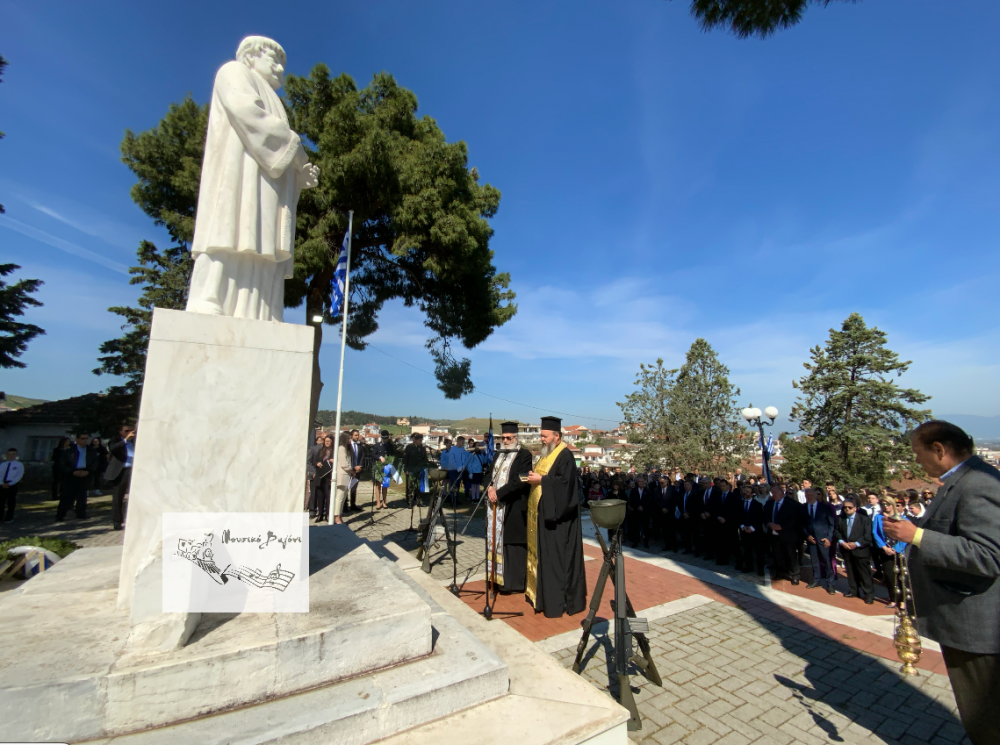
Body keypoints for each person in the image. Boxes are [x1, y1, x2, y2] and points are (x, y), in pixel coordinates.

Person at [185, 36, 319, 321]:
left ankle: (262, 310)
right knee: (229, 230)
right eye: (275, 61)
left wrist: (298, 176)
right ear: (251, 56)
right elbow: (250, 115)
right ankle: (212, 296)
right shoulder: (234, 72)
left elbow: (280, 150)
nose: (281, 70)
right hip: (239, 175)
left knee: (263, 241)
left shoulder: (277, 102)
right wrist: (298, 156)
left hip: (267, 186)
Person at [883, 421, 1000, 744]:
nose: (917, 463)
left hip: (977, 629)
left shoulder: (979, 484)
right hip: (962, 621)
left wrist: (917, 536)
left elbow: (988, 555)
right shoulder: (960, 481)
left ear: (939, 449)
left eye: (919, 454)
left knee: (986, 717)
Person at [524, 416, 587, 618]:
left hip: (559, 521)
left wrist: (542, 480)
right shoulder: (546, 455)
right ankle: (542, 597)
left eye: (544, 436)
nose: (542, 439)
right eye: (541, 435)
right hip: (543, 517)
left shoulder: (565, 456)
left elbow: (565, 486)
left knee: (557, 562)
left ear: (556, 436)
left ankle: (558, 602)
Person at [486, 422, 533, 593]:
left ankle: (513, 583)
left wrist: (499, 493)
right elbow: (488, 475)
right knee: (497, 543)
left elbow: (521, 480)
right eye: (503, 438)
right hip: (495, 507)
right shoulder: (499, 454)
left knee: (512, 544)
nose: (505, 441)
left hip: (513, 505)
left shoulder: (524, 455)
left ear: (516, 438)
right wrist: (489, 488)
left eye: (508, 438)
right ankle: (496, 579)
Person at [834, 495, 874, 603]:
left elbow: (868, 536)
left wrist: (856, 544)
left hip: (860, 550)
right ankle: (853, 590)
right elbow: (837, 531)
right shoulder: (841, 519)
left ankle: (868, 594)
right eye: (845, 507)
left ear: (855, 508)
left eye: (850, 507)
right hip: (846, 550)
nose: (847, 509)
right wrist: (842, 542)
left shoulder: (864, 520)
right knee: (850, 571)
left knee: (863, 573)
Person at [872, 496, 907, 608]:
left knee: (901, 576)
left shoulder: (901, 517)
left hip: (899, 550)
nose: (886, 506)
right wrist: (883, 547)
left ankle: (903, 600)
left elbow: (906, 534)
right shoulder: (878, 517)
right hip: (885, 550)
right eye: (883, 504)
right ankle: (893, 598)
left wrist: (896, 548)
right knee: (889, 575)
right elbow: (875, 533)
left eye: (888, 504)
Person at [763, 482, 802, 584]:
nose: (773, 495)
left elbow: (795, 519)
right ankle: (781, 573)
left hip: (788, 535)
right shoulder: (769, 503)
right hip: (774, 535)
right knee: (777, 555)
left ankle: (795, 575)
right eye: (772, 493)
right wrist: (768, 523)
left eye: (775, 492)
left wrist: (782, 526)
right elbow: (765, 516)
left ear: (781, 493)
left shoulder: (791, 504)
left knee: (791, 555)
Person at [801, 487, 837, 595]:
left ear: (816, 495)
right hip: (811, 539)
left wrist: (829, 538)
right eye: (807, 495)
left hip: (823, 538)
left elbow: (832, 524)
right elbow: (801, 523)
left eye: (811, 495)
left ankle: (830, 583)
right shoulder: (803, 508)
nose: (809, 497)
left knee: (826, 561)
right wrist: (806, 535)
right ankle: (816, 580)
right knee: (814, 561)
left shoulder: (825, 507)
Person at [56, 434, 98, 521]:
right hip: (72, 474)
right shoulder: (69, 451)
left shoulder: (91, 451)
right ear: (77, 439)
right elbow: (62, 464)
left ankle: (81, 513)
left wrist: (88, 471)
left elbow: (95, 463)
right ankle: (61, 514)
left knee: (82, 495)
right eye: (82, 438)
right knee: (67, 495)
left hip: (85, 473)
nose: (85, 440)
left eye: (86, 438)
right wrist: (72, 472)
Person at [105, 424, 137, 530]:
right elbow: (113, 449)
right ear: (121, 432)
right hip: (121, 471)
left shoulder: (135, 442)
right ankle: (117, 521)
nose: (130, 433)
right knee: (118, 497)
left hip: (133, 471)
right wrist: (125, 440)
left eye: (131, 431)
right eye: (127, 431)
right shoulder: (115, 441)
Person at [736, 484, 765, 575]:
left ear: (752, 494)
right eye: (744, 491)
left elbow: (760, 519)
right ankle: (749, 566)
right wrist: (742, 526)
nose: (745, 493)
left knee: (758, 551)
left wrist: (752, 528)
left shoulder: (758, 505)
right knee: (747, 550)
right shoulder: (739, 503)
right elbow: (738, 517)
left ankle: (760, 569)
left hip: (755, 532)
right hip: (744, 531)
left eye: (748, 492)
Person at [310, 434, 335, 522]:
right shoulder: (321, 450)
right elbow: (314, 461)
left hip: (329, 476)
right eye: (326, 441)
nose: (327, 443)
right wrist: (317, 463)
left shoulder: (334, 452)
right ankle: (320, 514)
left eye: (329, 441)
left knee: (328, 496)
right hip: (320, 476)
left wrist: (334, 461)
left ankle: (328, 514)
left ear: (332, 442)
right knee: (320, 496)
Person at [332, 432, 354, 524]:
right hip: (342, 475)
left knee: (343, 497)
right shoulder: (341, 448)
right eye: (349, 438)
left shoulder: (346, 448)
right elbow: (344, 464)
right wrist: (352, 471)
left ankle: (339, 515)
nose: (350, 440)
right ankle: (336, 516)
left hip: (346, 476)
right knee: (339, 497)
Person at [372, 430, 398, 509]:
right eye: (383, 438)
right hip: (378, 467)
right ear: (381, 437)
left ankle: (384, 502)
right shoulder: (377, 445)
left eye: (386, 438)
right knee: (378, 485)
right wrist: (379, 457)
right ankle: (378, 502)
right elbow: (373, 454)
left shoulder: (390, 446)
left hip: (387, 467)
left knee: (385, 485)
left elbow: (393, 455)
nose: (385, 439)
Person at [402, 433, 430, 505]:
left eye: (421, 440)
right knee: (411, 486)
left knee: (419, 485)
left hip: (420, 469)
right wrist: (406, 469)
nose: (420, 442)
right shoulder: (409, 447)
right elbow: (405, 459)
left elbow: (424, 459)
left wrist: (426, 467)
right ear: (415, 440)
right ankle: (410, 502)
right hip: (411, 469)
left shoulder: (422, 448)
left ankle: (419, 501)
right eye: (419, 440)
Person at [1, 448, 25, 523]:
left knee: (11, 502)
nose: (11, 456)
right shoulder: (3, 464)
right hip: (2, 484)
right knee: (1, 501)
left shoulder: (19, 465)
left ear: (16, 455)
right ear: (6, 455)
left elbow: (19, 476)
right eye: (9, 454)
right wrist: (1, 483)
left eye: (13, 454)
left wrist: (10, 484)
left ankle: (9, 517)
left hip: (12, 484)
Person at [348, 430, 364, 512]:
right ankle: (344, 505)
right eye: (355, 435)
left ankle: (353, 504)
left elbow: (362, 456)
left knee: (354, 488)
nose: (357, 437)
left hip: (357, 470)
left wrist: (359, 466)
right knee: (346, 487)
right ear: (351, 436)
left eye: (358, 435)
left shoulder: (360, 445)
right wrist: (353, 467)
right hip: (349, 470)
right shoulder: (348, 445)